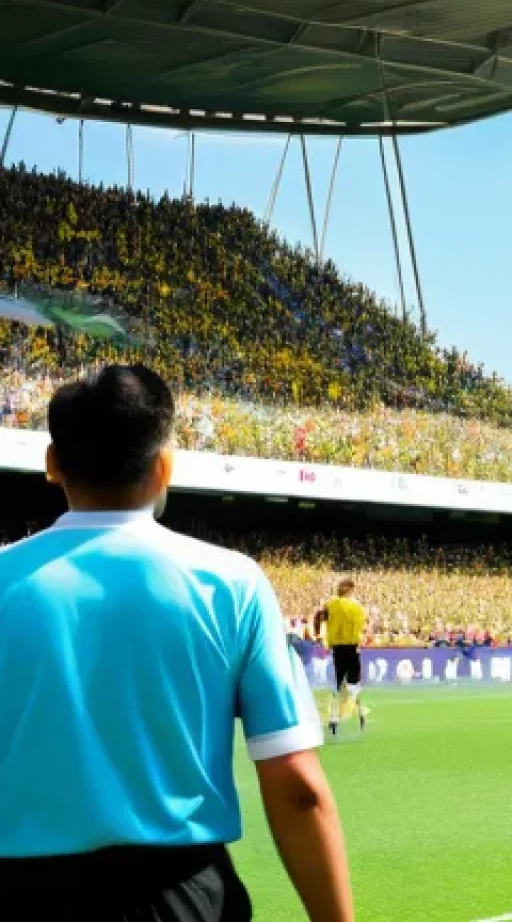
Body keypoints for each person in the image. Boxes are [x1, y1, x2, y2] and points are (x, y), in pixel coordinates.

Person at [0, 365, 355, 922]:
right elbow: (297, 788)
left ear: (52, 464)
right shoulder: (231, 584)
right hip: (179, 898)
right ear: (164, 466)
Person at [320, 579, 369, 734]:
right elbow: (361, 626)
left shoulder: (329, 605)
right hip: (351, 647)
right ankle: (359, 712)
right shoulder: (356, 606)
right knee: (354, 682)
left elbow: (321, 618)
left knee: (338, 680)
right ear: (351, 590)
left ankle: (334, 717)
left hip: (337, 648)